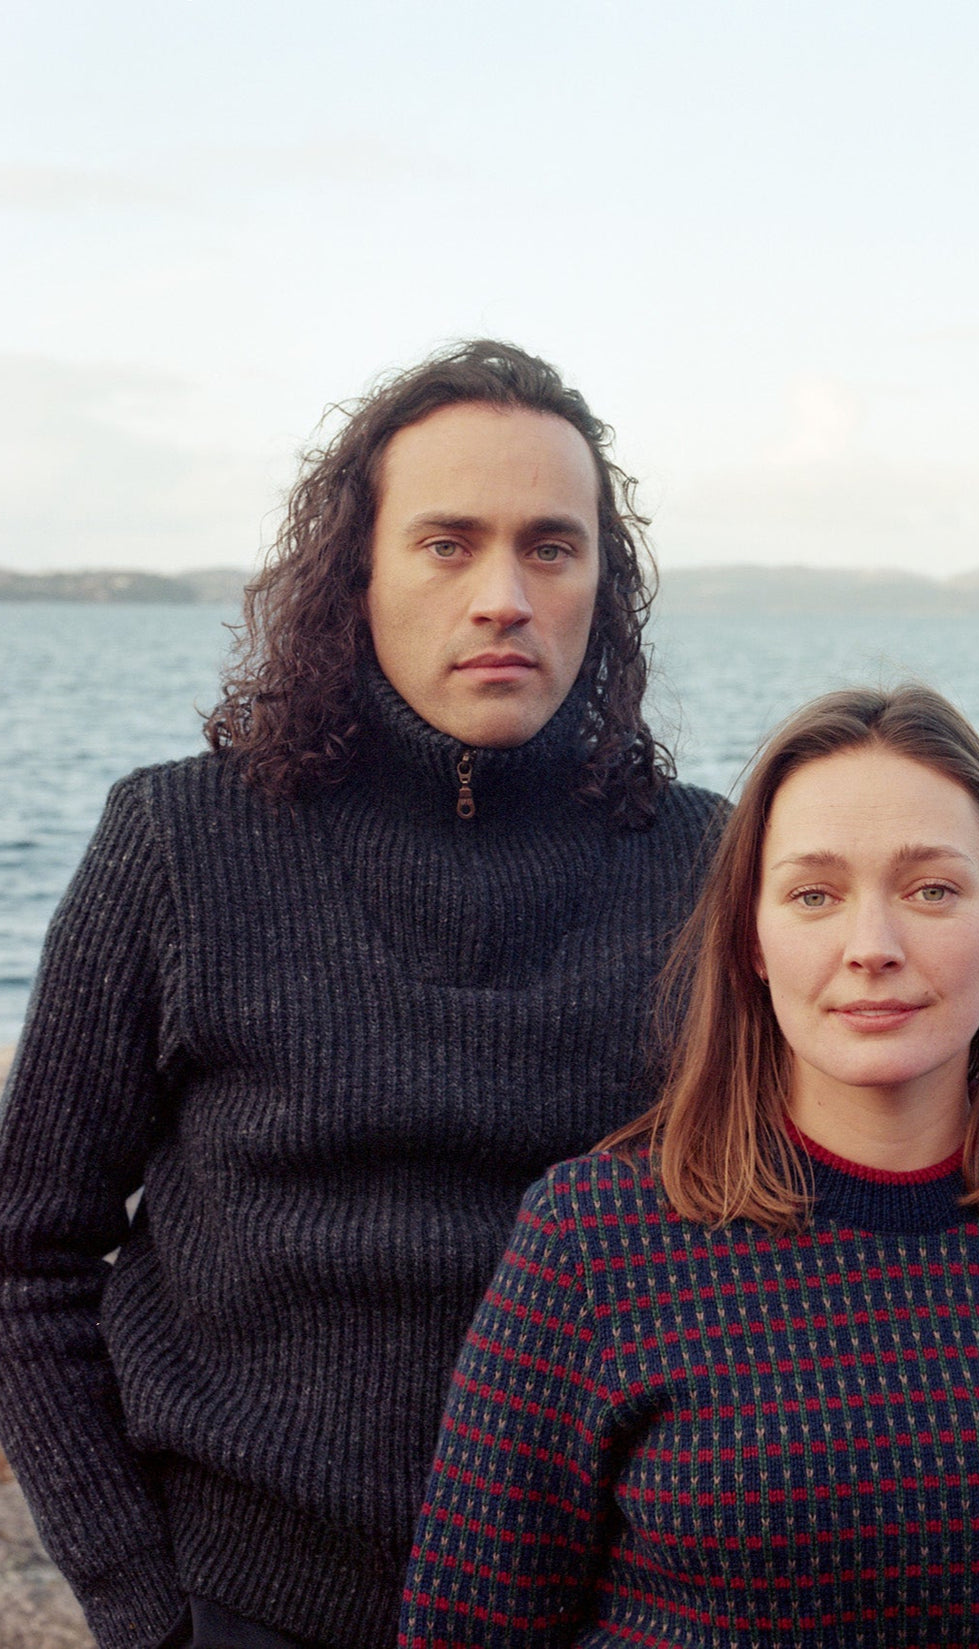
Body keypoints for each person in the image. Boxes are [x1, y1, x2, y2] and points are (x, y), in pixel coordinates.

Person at [0, 341, 721, 1649]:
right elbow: (23, 1255)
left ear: (602, 587)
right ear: (362, 572)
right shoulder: (178, 843)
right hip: (244, 1605)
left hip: (606, 1613)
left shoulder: (711, 869)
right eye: (448, 542)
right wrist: (139, 1604)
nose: (502, 594)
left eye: (551, 548)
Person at [400, 684, 979, 1649]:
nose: (872, 948)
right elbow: (464, 1628)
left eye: (931, 889)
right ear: (752, 936)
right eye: (815, 894)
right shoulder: (593, 1241)